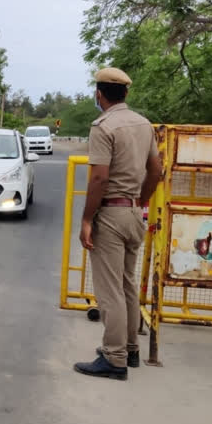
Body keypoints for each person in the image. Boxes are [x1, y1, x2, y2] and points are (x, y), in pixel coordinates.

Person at [74, 67, 162, 380]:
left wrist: (86, 219)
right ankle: (129, 349)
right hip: (133, 213)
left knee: (109, 289)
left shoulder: (103, 126)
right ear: (125, 93)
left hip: (110, 215)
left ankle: (114, 359)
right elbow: (156, 171)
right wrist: (141, 200)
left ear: (100, 94)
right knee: (126, 283)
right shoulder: (143, 124)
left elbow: (99, 177)